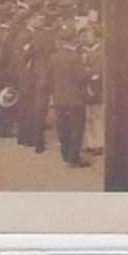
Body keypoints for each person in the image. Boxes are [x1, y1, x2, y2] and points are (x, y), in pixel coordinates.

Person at [46, 35, 91, 167]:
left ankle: (65, 154)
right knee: (76, 129)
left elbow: (48, 77)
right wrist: (88, 71)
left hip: (59, 99)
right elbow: (81, 77)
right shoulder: (75, 57)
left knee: (63, 128)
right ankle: (74, 158)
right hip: (75, 99)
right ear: (74, 41)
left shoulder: (53, 56)